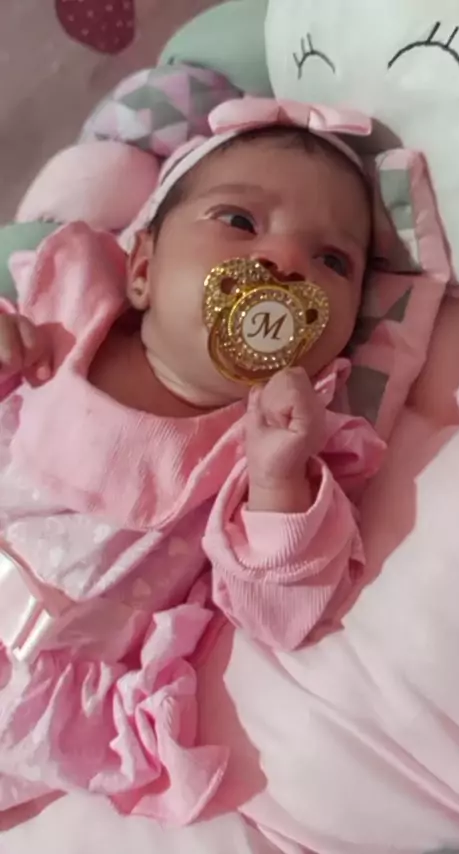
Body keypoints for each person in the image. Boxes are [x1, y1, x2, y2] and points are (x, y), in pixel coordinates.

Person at [0, 98, 384, 824]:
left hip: (38, 695)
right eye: (239, 221)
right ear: (143, 269)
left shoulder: (267, 450)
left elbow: (279, 612)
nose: (284, 263)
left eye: (332, 260)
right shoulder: (62, 321)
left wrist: (278, 481)